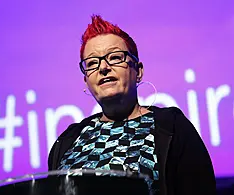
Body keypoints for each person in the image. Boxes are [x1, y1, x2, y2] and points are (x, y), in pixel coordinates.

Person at [48, 15, 216, 195]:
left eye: (115, 57)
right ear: (86, 80)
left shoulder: (171, 126)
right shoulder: (67, 141)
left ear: (138, 71)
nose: (103, 67)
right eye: (92, 63)